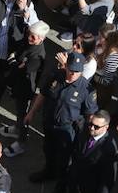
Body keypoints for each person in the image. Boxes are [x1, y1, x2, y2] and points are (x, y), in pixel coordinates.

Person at [26, 51, 98, 184]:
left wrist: (89, 135)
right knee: (48, 150)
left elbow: (90, 114)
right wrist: (31, 113)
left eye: (76, 72)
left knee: (64, 159)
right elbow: (42, 94)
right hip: (49, 122)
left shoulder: (87, 90)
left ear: (81, 71)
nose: (72, 74)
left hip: (67, 129)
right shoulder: (55, 76)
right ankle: (48, 172)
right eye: (70, 70)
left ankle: (60, 185)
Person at [60, 111, 118, 193]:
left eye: (96, 127)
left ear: (106, 127)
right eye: (91, 124)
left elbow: (108, 179)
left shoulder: (108, 149)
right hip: (75, 183)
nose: (92, 128)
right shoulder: (85, 133)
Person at [1, 21, 50, 156]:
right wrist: (16, 62)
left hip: (26, 89)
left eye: (33, 37)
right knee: (19, 111)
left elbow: (20, 68)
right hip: (19, 84)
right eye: (29, 35)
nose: (29, 38)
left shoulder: (37, 56)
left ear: (42, 38)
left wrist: (14, 61)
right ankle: (17, 129)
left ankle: (21, 142)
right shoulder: (30, 44)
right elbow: (17, 59)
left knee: (24, 116)